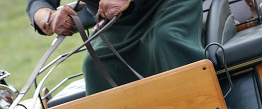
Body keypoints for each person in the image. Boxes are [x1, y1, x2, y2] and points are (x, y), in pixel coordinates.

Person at [26, 0, 204, 95]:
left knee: (167, 40)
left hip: (168, 4)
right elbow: (38, 2)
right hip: (117, 21)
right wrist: (47, 18)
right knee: (95, 64)